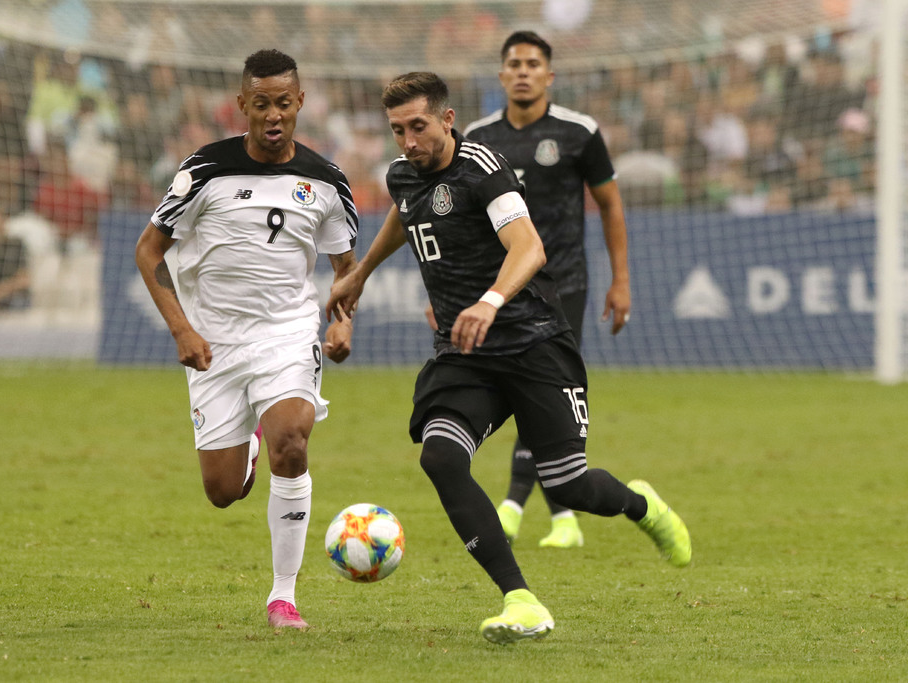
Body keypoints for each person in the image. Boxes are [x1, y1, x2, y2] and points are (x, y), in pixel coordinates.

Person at [327, 72, 690, 645]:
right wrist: (361, 272)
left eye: (418, 126)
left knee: (568, 486)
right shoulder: (402, 173)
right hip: (466, 352)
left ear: (447, 120)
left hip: (533, 343)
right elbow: (405, 211)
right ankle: (520, 599)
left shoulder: (481, 167)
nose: (409, 141)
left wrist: (490, 301)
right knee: (441, 457)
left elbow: (529, 246)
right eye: (397, 130)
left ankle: (643, 506)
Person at [135, 49, 358, 630]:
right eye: (261, 104)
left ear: (300, 102)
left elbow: (345, 269)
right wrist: (182, 328)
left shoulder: (326, 181)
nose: (273, 115)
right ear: (242, 105)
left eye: (283, 102)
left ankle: (283, 597)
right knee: (222, 491)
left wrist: (342, 320)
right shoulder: (205, 170)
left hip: (288, 333)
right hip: (215, 343)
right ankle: (249, 447)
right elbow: (149, 251)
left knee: (292, 442)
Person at [461, 31, 631, 549]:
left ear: (549, 75)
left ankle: (516, 508)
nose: (523, 72)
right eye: (514, 63)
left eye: (533, 64)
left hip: (564, 286)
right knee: (520, 391)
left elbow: (610, 204)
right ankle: (557, 516)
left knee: (542, 391)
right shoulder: (478, 137)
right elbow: (462, 219)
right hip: (502, 286)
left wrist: (621, 280)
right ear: (501, 75)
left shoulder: (578, 132)